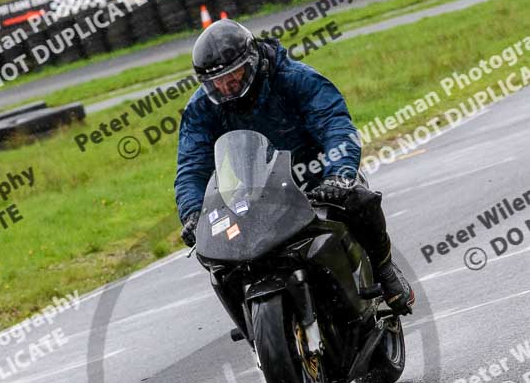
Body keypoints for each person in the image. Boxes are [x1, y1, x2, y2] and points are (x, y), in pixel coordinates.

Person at [175, 19, 414, 315]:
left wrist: (338, 174)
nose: (225, 85)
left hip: (316, 180)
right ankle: (249, 318)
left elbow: (334, 123)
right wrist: (192, 212)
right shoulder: (201, 108)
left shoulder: (294, 78)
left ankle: (385, 270)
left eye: (231, 74)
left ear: (252, 62)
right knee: (212, 249)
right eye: (216, 82)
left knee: (360, 202)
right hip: (253, 192)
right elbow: (191, 165)